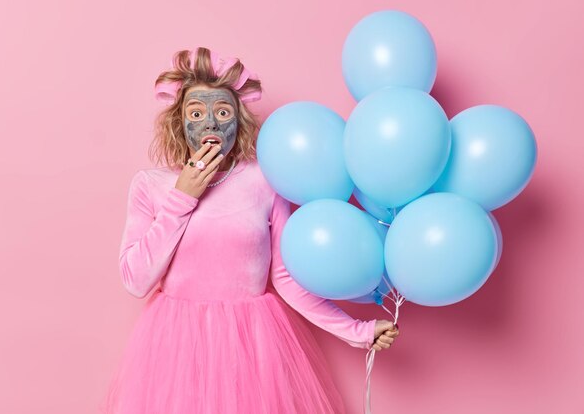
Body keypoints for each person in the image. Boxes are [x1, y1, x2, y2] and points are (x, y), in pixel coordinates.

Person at [99, 46, 400, 414]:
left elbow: (287, 279)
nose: (210, 123)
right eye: (196, 113)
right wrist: (183, 197)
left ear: (238, 122)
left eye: (222, 112)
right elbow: (136, 280)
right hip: (175, 348)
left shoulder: (263, 182)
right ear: (179, 123)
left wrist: (358, 332)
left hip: (253, 347)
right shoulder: (151, 185)